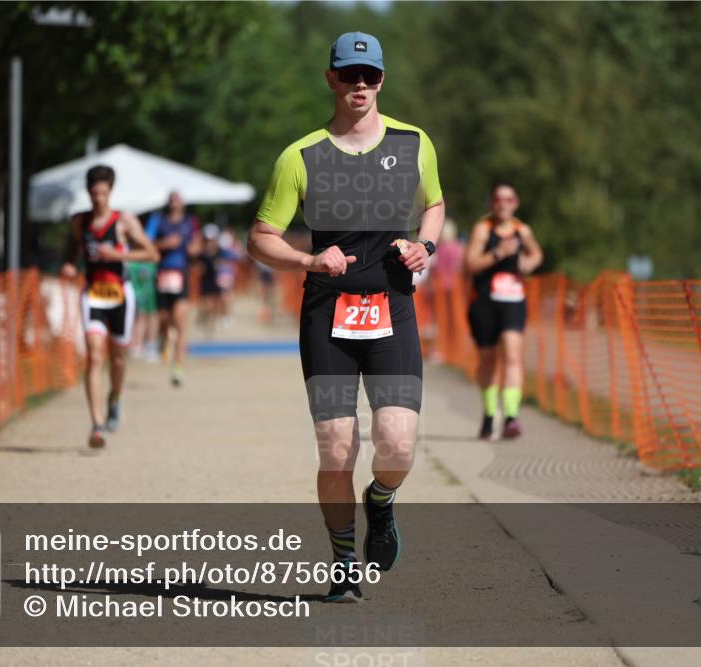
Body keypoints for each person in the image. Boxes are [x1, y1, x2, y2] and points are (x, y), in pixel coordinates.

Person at [247, 31, 444, 603]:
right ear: (331, 78)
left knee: (397, 445)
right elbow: (261, 238)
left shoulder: (413, 144)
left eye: (371, 76)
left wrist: (424, 249)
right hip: (326, 313)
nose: (361, 85)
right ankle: (342, 564)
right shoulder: (301, 155)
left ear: (382, 80)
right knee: (336, 448)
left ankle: (379, 501)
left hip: (393, 309)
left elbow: (433, 203)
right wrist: (310, 257)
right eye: (349, 75)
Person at [61, 165, 159, 448]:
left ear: (110, 191)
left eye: (103, 193)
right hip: (92, 293)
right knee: (93, 356)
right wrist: (68, 265)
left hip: (119, 295)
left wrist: (118, 253)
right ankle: (97, 425)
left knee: (117, 357)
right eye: (94, 194)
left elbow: (152, 253)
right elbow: (72, 252)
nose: (99, 200)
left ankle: (115, 396)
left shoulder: (123, 221)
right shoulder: (79, 221)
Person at [464, 183, 543, 441]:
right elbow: (471, 264)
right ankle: (489, 416)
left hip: (513, 300)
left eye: (509, 199)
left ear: (516, 203)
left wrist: (528, 263)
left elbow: (537, 253)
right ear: (492, 204)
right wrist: (499, 252)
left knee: (512, 352)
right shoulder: (483, 229)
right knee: (488, 359)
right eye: (498, 199)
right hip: (485, 301)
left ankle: (511, 416)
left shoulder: (523, 230)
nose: (503, 204)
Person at [152, 191, 198, 387]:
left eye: (178, 200)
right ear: (168, 203)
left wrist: (193, 249)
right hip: (162, 274)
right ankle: (163, 337)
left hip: (181, 275)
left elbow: (197, 245)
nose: (175, 204)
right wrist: (165, 243)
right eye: (172, 200)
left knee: (180, 323)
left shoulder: (191, 222)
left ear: (183, 204)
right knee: (163, 319)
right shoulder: (158, 220)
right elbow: (146, 242)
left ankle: (177, 366)